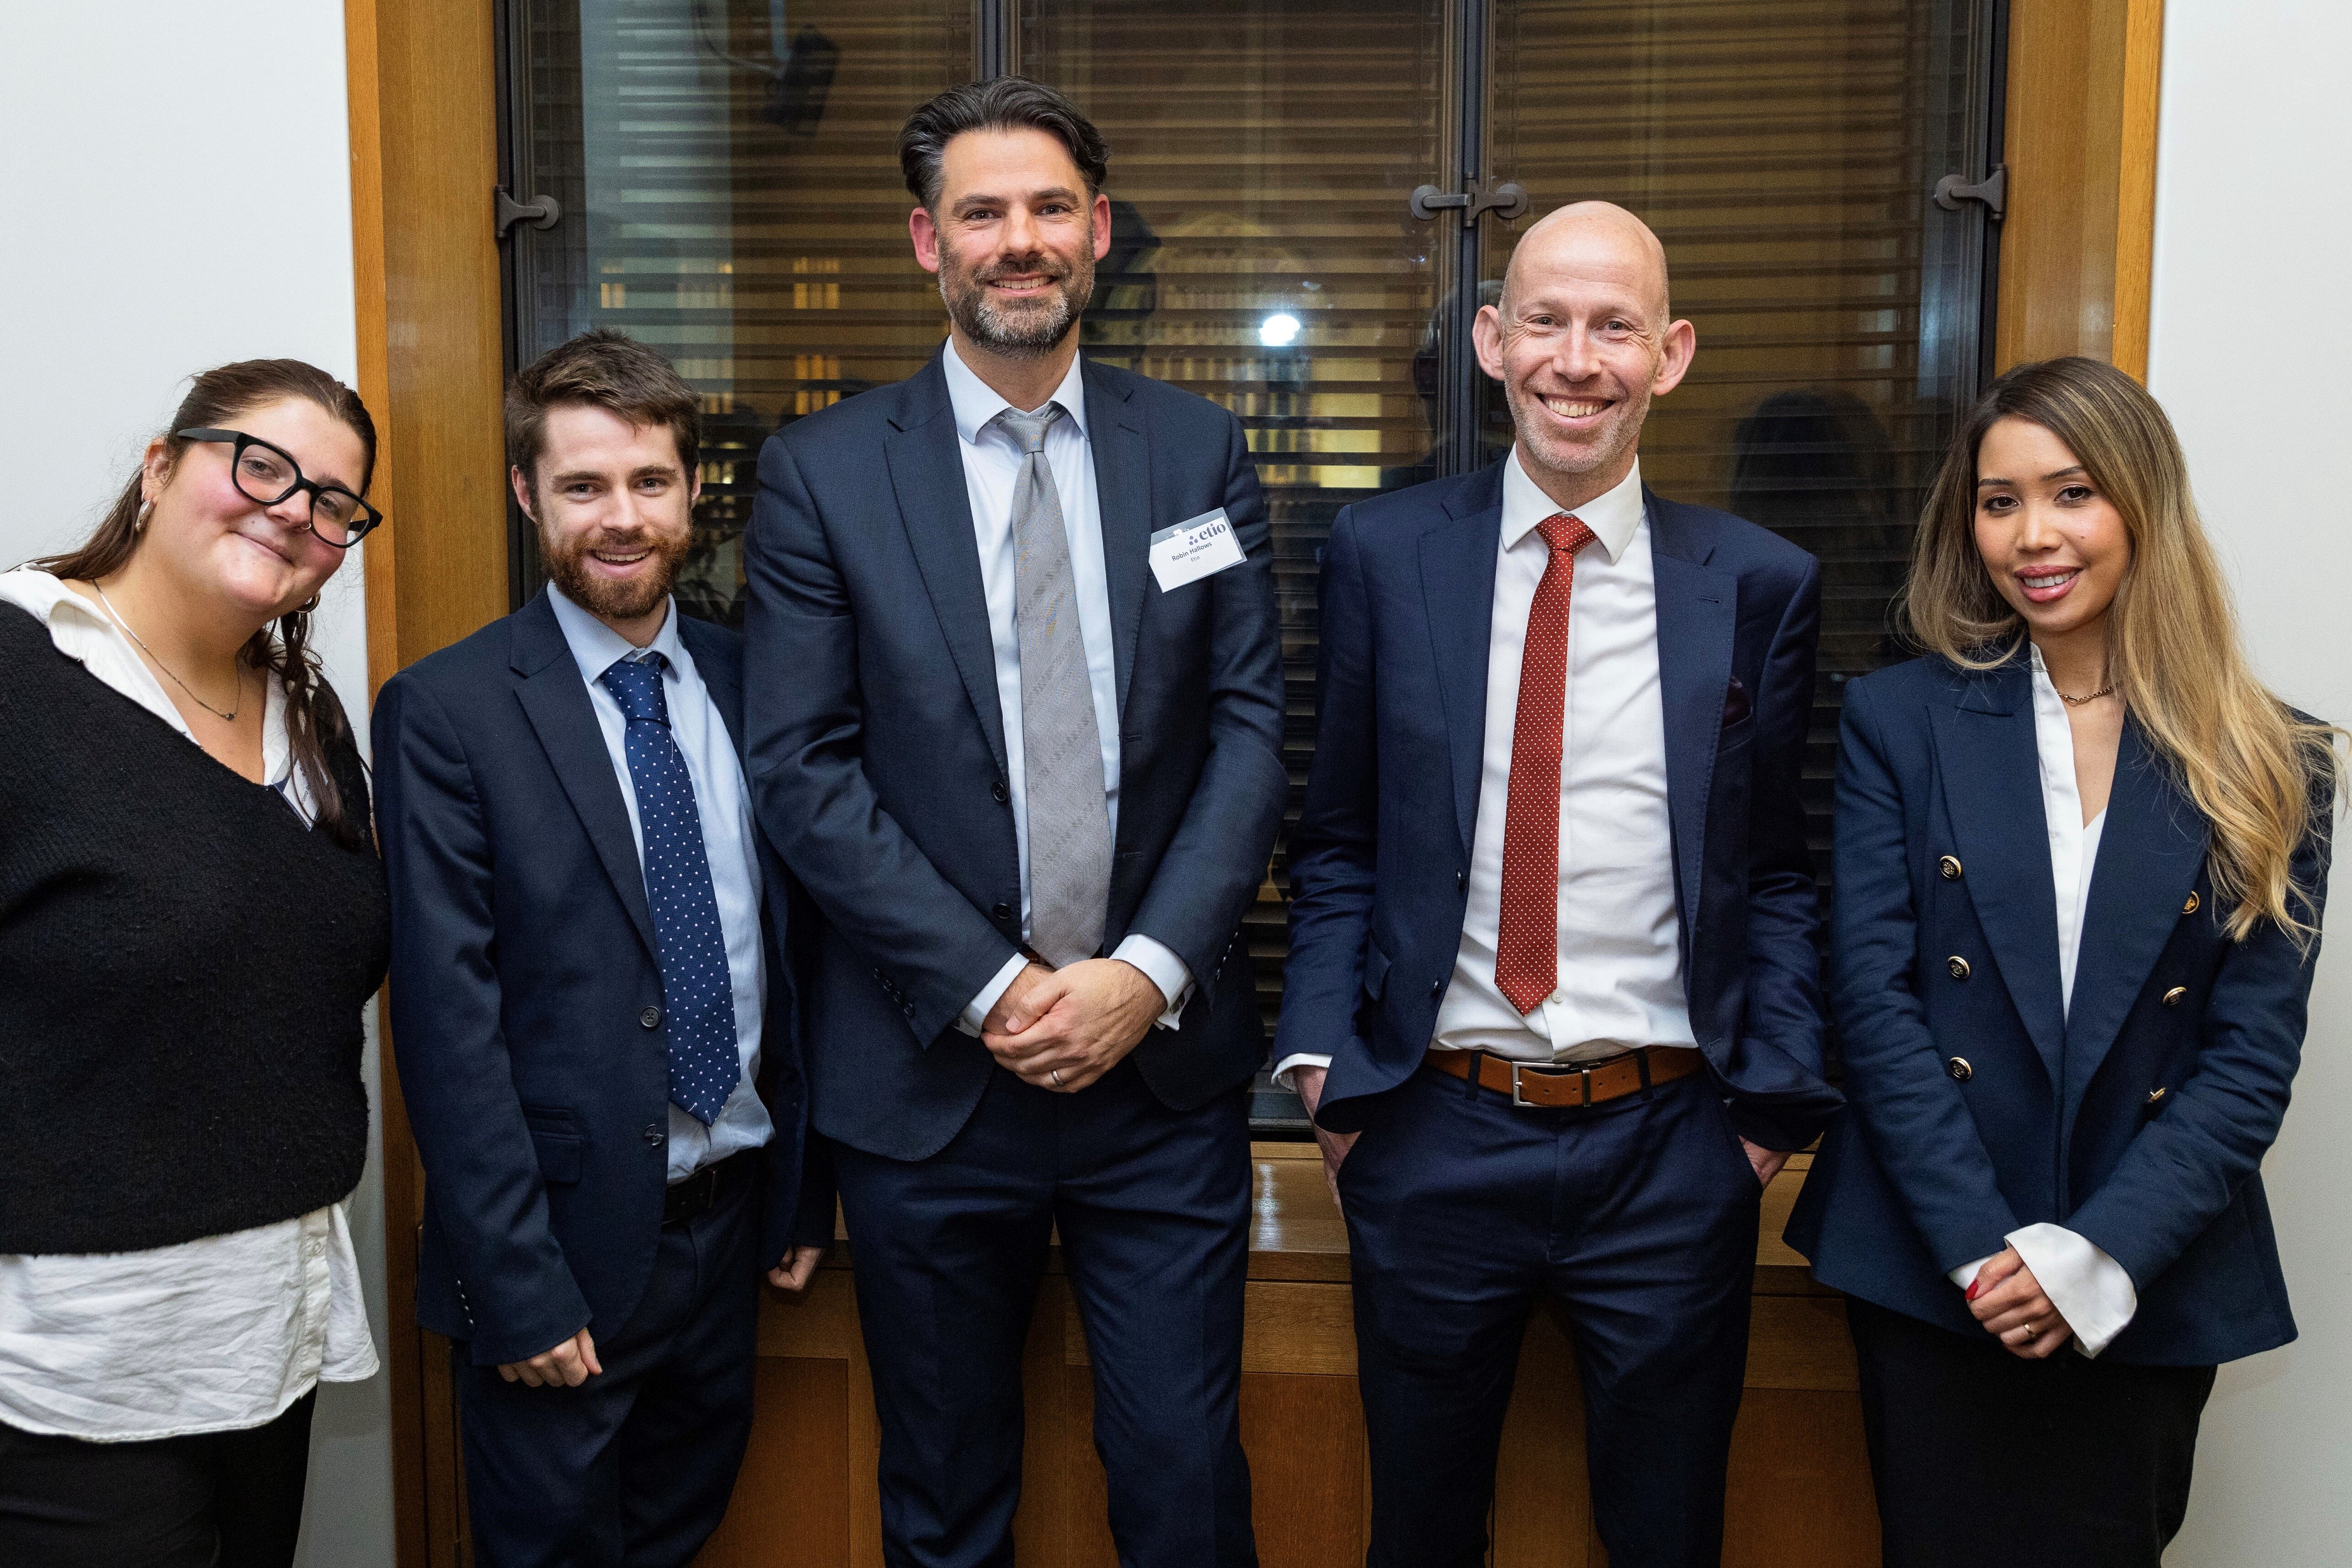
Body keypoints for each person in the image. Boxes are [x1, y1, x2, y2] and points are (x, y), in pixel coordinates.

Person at [743, 78, 1286, 1568]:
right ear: (927, 242)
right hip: (931, 1080)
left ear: (1098, 233)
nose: (1019, 241)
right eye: (982, 213)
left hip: (1156, 1082)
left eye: (1050, 208)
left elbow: (1247, 731)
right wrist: (995, 990)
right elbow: (801, 767)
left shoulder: (1195, 452)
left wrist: (1147, 972)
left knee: (1183, 1481)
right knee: (942, 1492)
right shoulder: (824, 473)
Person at [1275, 202, 1841, 1568]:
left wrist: (1763, 1111)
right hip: (1431, 1129)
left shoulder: (1759, 582)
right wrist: (1324, 1076)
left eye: (1613, 327)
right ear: (1490, 338)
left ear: (1670, 353)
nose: (1574, 360)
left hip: (1669, 1147)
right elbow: (1335, 833)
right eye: (1544, 320)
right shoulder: (1382, 554)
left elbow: (1778, 868)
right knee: (1418, 1530)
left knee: (1663, 1533)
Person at [1785, 356, 2340, 1567]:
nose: (2030, 535)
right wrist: (1990, 1254)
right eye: (1997, 500)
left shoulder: (2274, 758)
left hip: (2143, 1274)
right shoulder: (1900, 720)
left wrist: (2087, 1256)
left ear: (2140, 504)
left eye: (2069, 492)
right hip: (1939, 1267)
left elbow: (2247, 1059)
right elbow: (1872, 1006)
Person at [373, 330, 830, 1568]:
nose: (619, 518)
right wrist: (514, 1280)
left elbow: (798, 960)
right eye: (582, 487)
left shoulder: (755, 684)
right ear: (529, 495)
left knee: (681, 1535)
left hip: (729, 1232)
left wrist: (800, 1190)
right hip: (559, 1252)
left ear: (692, 494)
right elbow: (445, 1019)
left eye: (648, 482)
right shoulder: (449, 710)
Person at [0, 360, 390, 1566]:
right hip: (78, 1372)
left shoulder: (307, 716)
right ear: (161, 467)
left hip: (269, 1334)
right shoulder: (22, 671)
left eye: (334, 502)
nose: (295, 510)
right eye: (260, 465)